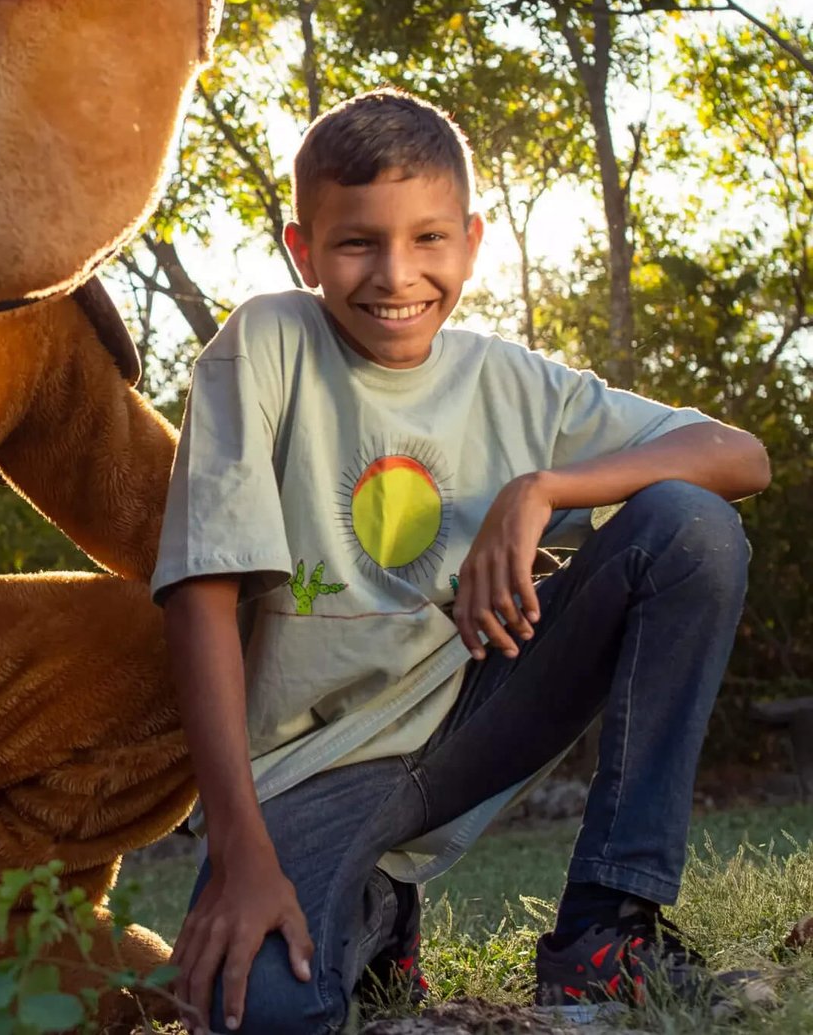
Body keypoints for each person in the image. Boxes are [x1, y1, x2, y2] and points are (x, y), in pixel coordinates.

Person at [153, 88, 771, 1033]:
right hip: (311, 768)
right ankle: (376, 911)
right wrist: (241, 852)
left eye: (429, 238)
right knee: (259, 1012)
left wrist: (544, 490)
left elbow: (740, 457)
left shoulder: (514, 383)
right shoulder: (267, 345)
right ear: (302, 248)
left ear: (474, 242)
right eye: (358, 241)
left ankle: (607, 930)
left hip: (474, 712)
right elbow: (200, 597)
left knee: (688, 525)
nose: (396, 272)